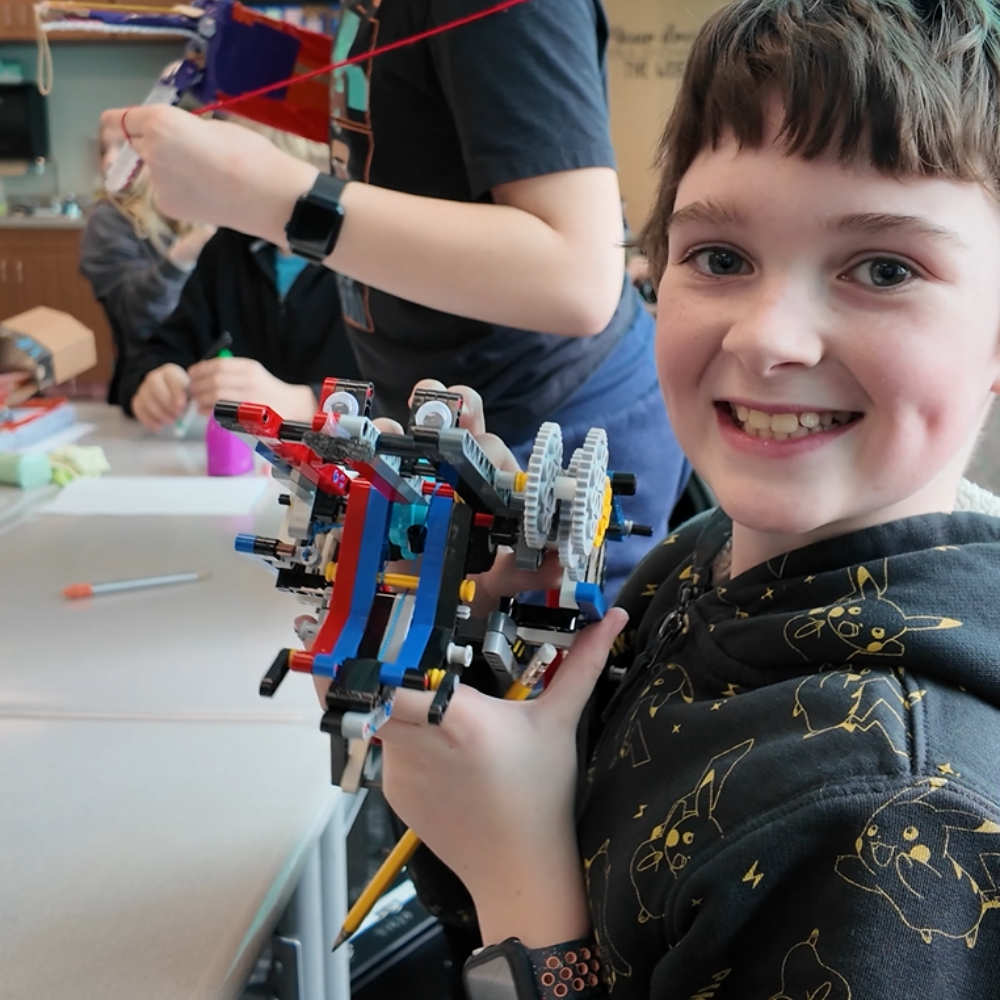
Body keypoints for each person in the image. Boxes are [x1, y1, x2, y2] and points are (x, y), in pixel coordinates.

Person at [362, 1, 1000, 996]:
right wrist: (488, 666)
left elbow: (530, 881)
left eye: (883, 267)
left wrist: (516, 883)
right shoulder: (703, 557)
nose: (766, 337)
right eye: (720, 258)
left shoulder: (891, 820)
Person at [103, 0, 691, 599]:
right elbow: (415, 126)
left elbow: (576, 277)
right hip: (445, 439)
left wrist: (274, 200)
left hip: (545, 449)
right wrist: (256, 73)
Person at [118, 120, 362, 431]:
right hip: (239, 467)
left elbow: (413, 398)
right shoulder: (226, 250)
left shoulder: (371, 266)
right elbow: (160, 349)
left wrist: (309, 403)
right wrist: (154, 380)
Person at [80, 121, 215, 406]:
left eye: (125, 147)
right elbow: (138, 318)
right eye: (105, 149)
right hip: (151, 396)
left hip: (218, 396)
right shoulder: (108, 221)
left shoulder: (202, 208)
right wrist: (179, 259)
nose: (109, 160)